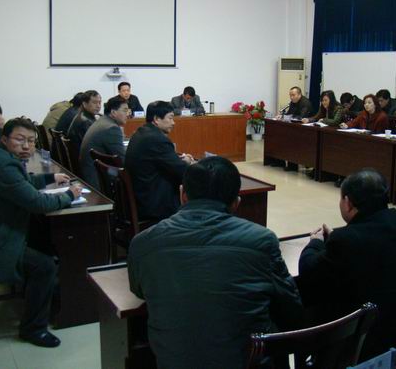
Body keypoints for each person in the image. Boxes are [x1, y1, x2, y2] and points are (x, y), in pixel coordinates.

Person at [128, 156, 305, 369]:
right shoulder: (262, 241)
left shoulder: (143, 243)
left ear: (182, 195)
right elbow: (292, 311)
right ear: (236, 203)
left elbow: (138, 290)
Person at [297, 169, 396, 362]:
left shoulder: (346, 240)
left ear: (348, 203)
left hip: (373, 349)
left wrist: (315, 243)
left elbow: (309, 272)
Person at [0, 117, 82, 348]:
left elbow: (22, 182)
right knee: (45, 266)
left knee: (43, 239)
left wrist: (50, 178)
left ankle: (49, 297)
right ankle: (33, 329)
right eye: (20, 139)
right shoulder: (4, 166)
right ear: (4, 139)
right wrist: (70, 195)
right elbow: (38, 203)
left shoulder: (1, 156)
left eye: (31, 141)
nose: (26, 146)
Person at [125, 101, 195, 223]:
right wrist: (188, 162)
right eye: (170, 118)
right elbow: (182, 172)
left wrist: (178, 160)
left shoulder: (141, 132)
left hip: (139, 198)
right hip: (154, 204)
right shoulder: (157, 139)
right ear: (157, 119)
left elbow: (160, 161)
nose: (173, 123)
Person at [79, 97, 129, 191]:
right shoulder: (111, 128)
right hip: (96, 177)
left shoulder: (103, 121)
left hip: (94, 170)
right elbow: (122, 161)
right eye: (125, 110)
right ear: (113, 112)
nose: (128, 114)